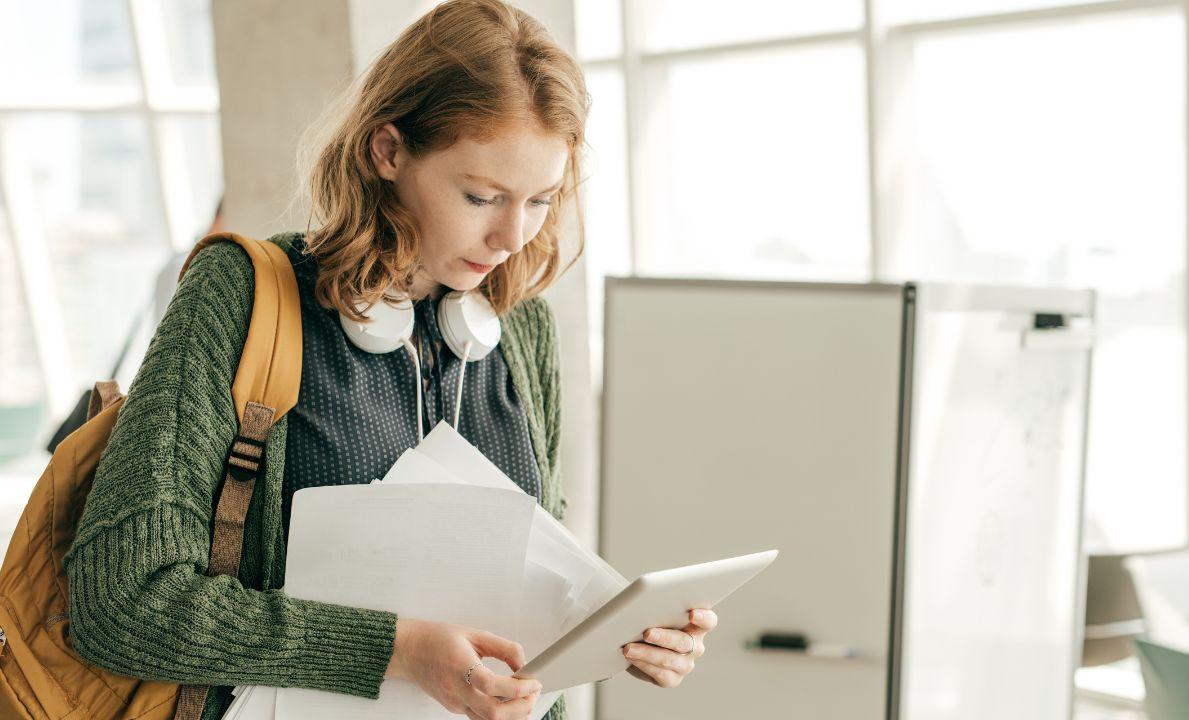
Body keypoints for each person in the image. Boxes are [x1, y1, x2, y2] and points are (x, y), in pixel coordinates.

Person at [62, 2, 717, 720]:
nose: (510, 235)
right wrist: (393, 651)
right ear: (388, 151)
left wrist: (613, 634)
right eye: (481, 196)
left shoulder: (520, 331)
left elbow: (525, 631)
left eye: (540, 200)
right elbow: (119, 598)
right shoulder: (245, 296)